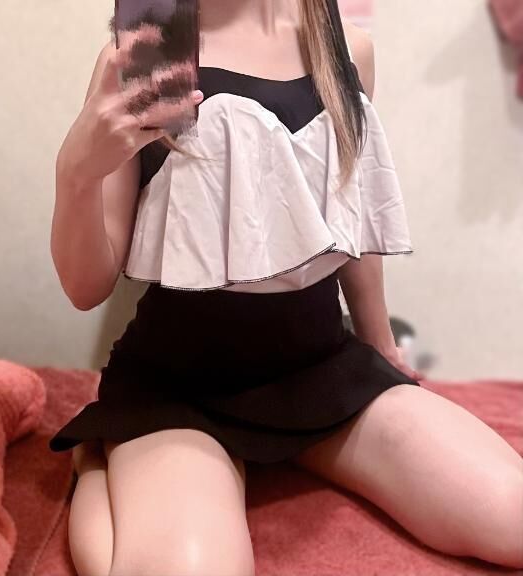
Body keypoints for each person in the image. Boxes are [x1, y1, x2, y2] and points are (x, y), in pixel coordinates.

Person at [48, 1, 523, 575]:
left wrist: (380, 346)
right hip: (179, 387)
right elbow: (87, 288)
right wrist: (75, 171)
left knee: (512, 517)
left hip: (321, 368)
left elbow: (348, 212)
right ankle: (99, 459)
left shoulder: (346, 50)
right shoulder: (146, 57)